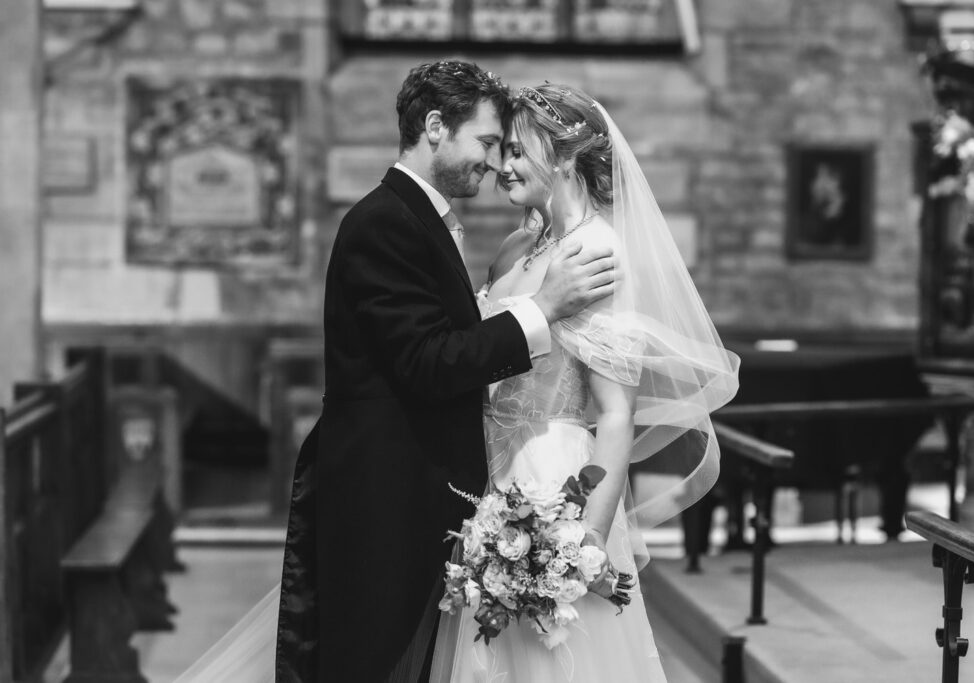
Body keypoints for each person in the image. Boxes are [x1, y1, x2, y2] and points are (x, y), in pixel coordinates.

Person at [173, 62, 617, 683]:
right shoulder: (384, 224)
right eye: (487, 144)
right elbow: (428, 362)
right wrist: (542, 310)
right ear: (436, 127)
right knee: (372, 661)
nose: (493, 164)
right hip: (385, 499)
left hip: (445, 493)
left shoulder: (419, 220)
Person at [429, 83, 739, 681]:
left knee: (558, 655)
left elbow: (615, 413)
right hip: (489, 481)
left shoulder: (599, 251)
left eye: (518, 151)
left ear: (565, 156)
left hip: (559, 482)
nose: (501, 165)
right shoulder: (519, 244)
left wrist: (587, 539)